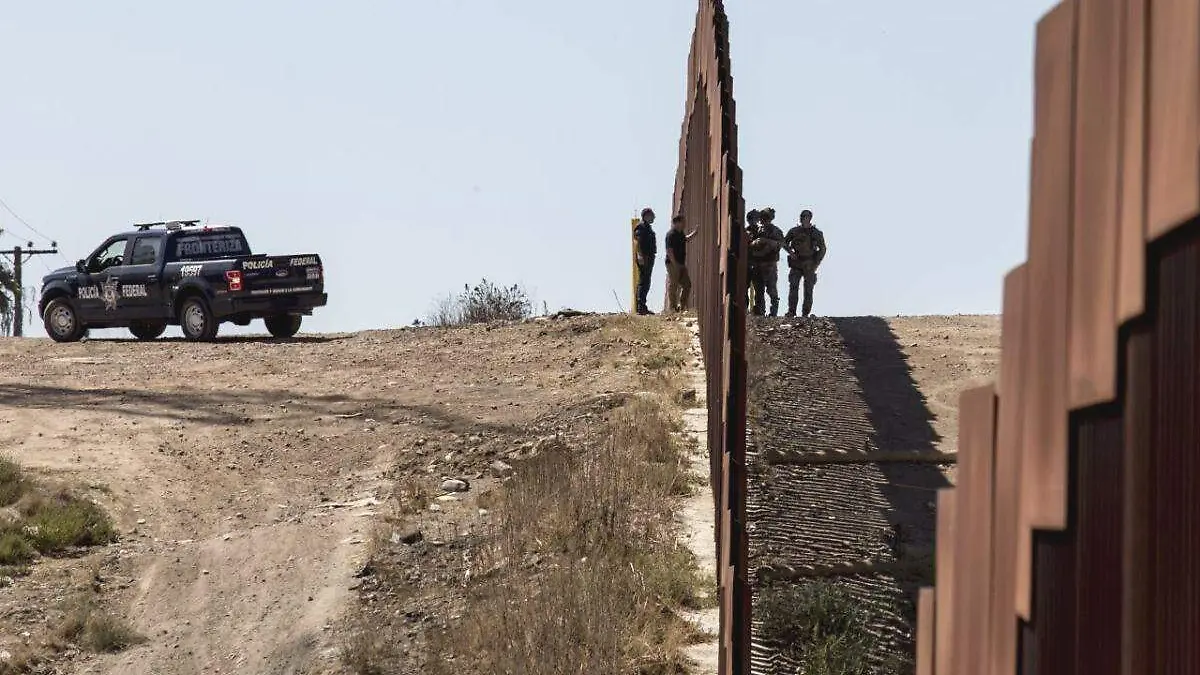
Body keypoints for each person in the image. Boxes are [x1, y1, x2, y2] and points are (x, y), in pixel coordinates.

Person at [784, 209, 827, 318]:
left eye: (807, 217)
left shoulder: (816, 233)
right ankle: (791, 311)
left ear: (810, 218)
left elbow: (822, 249)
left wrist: (816, 263)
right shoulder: (794, 231)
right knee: (793, 286)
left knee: (808, 289)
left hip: (809, 263)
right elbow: (784, 242)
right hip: (796, 262)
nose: (805, 219)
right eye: (803, 217)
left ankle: (805, 313)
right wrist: (791, 252)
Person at [748, 207, 785, 316]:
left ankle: (773, 312)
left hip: (770, 264)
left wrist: (766, 242)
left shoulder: (776, 231)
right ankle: (760, 312)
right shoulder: (755, 230)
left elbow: (780, 244)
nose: (764, 220)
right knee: (759, 291)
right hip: (758, 264)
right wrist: (757, 243)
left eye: (766, 218)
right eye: (763, 218)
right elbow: (749, 244)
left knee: (772, 290)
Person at [664, 214, 698, 312]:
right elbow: (669, 251)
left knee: (687, 284)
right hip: (673, 263)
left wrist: (694, 233)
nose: (685, 224)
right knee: (674, 285)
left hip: (681, 263)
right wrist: (675, 264)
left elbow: (685, 239)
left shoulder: (680, 233)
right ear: (677, 223)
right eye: (683, 222)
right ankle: (673, 308)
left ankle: (682, 306)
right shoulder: (671, 235)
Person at [632, 207, 657, 315]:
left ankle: (642, 306)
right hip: (644, 257)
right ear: (646, 216)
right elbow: (638, 243)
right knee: (643, 282)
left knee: (646, 282)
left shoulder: (647, 227)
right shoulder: (641, 227)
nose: (654, 217)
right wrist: (640, 256)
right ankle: (640, 307)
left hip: (649, 257)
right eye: (652, 215)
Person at [744, 209, 761, 311]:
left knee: (759, 289)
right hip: (747, 264)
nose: (753, 221)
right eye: (751, 219)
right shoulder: (745, 232)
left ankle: (758, 309)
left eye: (755, 219)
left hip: (759, 264)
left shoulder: (762, 232)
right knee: (744, 288)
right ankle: (745, 308)